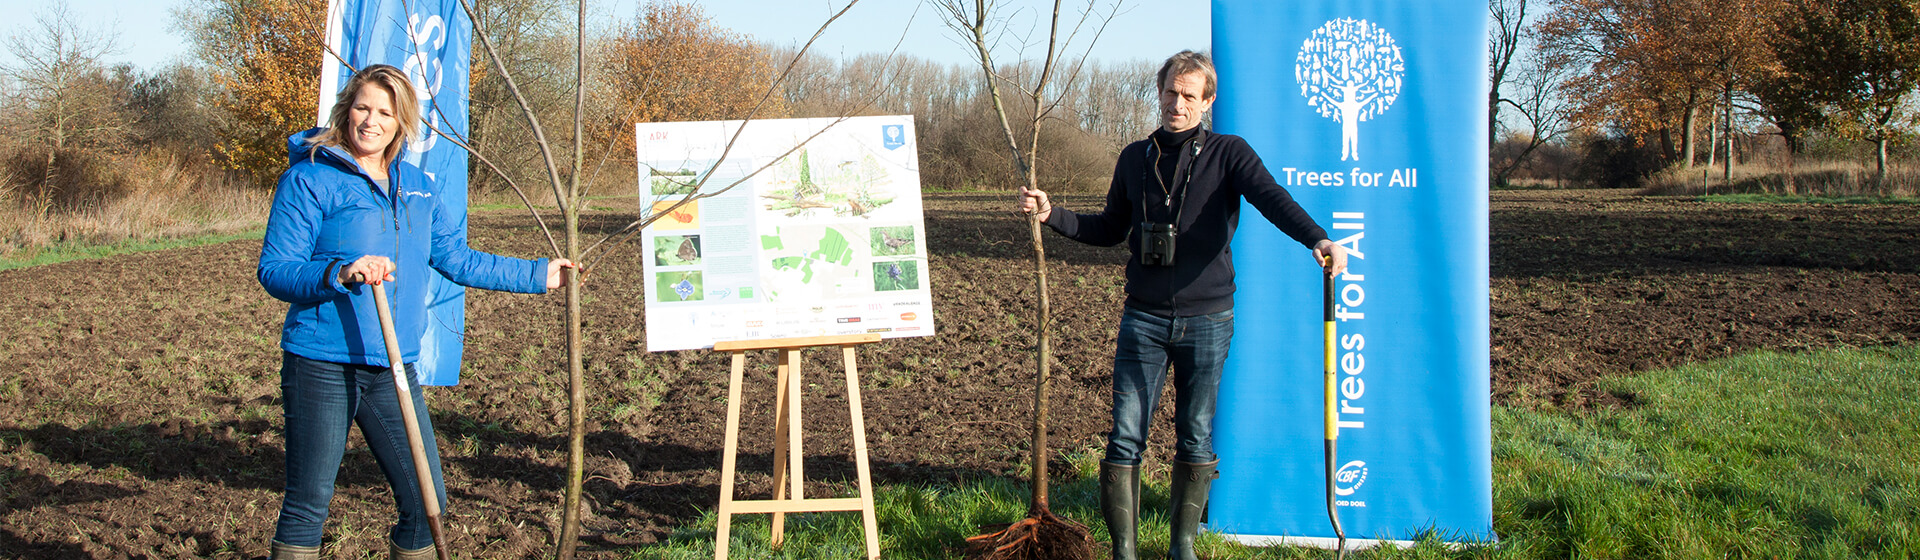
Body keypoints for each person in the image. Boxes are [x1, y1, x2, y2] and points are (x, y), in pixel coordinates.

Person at [1017, 50, 1347, 560]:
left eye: (1189, 95)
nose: (1177, 103)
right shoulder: (1135, 157)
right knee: (1125, 436)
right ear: (1159, 92)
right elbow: (1109, 228)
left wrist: (1316, 238)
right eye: (1171, 92)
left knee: (1195, 435)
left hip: (1209, 318)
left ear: (1207, 101)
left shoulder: (1229, 153)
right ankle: (1124, 551)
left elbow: (1271, 197)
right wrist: (1051, 214)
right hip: (1143, 318)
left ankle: (1182, 549)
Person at [257, 64, 574, 560]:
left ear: (402, 121)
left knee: (426, 503)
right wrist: (340, 272)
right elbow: (276, 270)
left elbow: (456, 259)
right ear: (346, 110)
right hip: (322, 362)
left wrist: (538, 275)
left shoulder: (418, 185)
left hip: (393, 366)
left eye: (385, 112)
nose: (371, 121)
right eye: (363, 107)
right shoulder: (310, 179)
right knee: (308, 504)